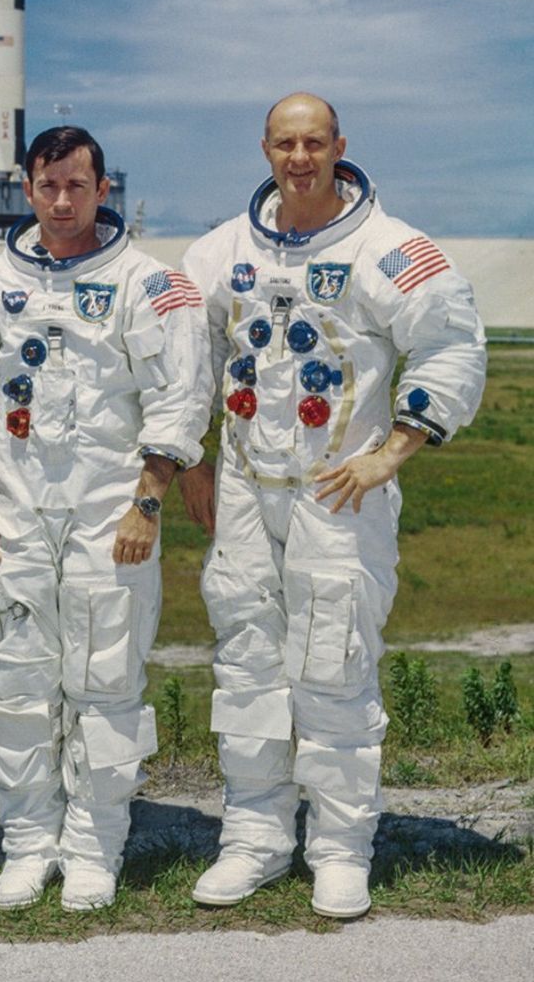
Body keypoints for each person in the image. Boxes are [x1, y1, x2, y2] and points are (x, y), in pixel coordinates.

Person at [181, 92, 486, 919]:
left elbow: (454, 342)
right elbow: (186, 349)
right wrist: (191, 458)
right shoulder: (222, 250)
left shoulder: (390, 249)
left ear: (339, 146)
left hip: (337, 490)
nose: (300, 157)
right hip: (246, 485)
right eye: (286, 143)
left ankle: (341, 849)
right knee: (246, 662)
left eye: (315, 142)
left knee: (334, 663)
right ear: (266, 149)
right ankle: (253, 838)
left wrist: (395, 447)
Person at [0, 126, 212, 912]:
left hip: (109, 509)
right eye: (48, 185)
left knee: (106, 681)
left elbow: (179, 397)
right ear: (26, 188)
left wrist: (147, 500)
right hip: (14, 510)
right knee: (20, 685)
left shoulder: (151, 285)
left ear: (102, 190)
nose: (62, 200)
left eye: (78, 186)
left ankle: (94, 848)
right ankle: (27, 843)